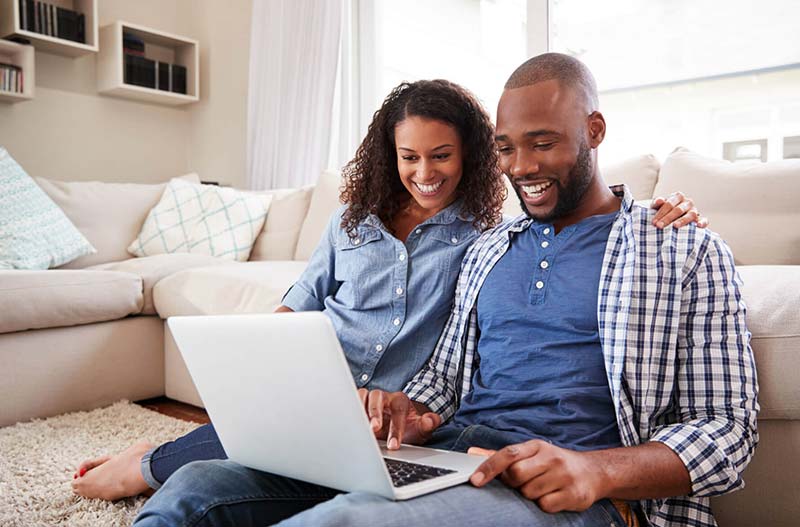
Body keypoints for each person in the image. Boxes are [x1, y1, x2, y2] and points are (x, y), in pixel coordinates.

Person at [131, 53, 757, 527]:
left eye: (543, 142)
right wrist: (409, 408)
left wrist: (596, 470)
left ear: (594, 130)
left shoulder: (681, 248)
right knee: (199, 487)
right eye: (508, 149)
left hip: (565, 488)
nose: (523, 168)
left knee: (350, 520)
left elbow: (730, 432)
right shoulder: (489, 249)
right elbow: (445, 378)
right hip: (450, 453)